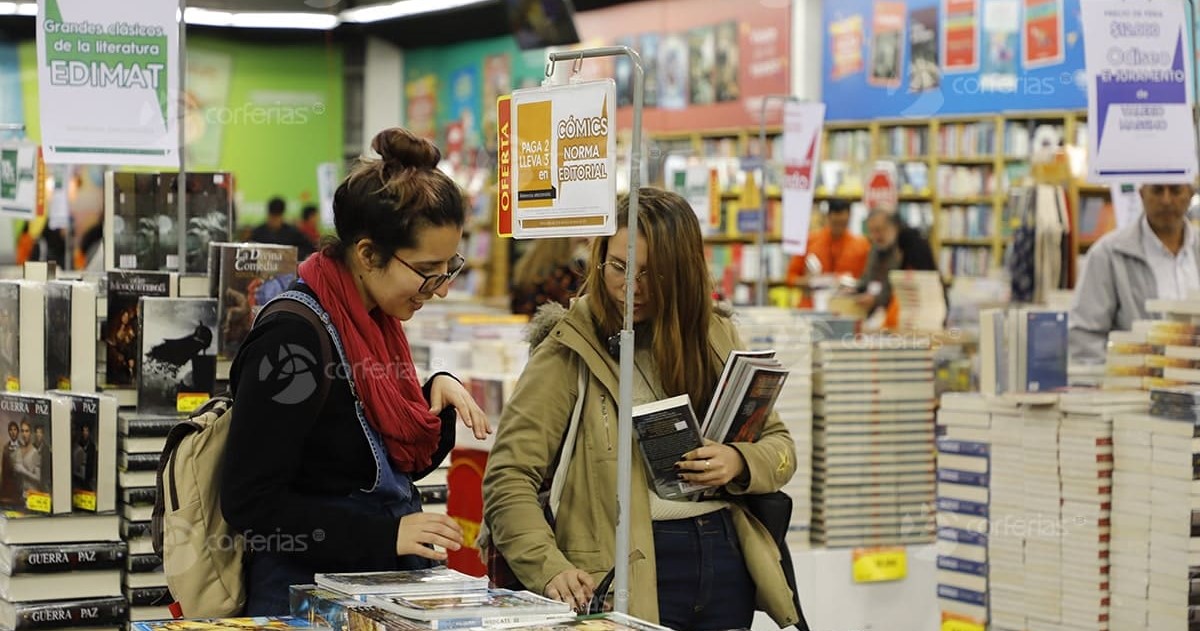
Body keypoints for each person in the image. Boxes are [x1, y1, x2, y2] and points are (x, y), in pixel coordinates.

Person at [482, 188, 801, 630]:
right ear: (600, 258)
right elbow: (509, 475)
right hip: (625, 569)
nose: (632, 287)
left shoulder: (713, 335)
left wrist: (738, 461)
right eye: (619, 266)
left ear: (684, 272)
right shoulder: (569, 347)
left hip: (724, 558)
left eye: (654, 273)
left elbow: (781, 446)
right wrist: (548, 566)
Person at [221, 127, 493, 614]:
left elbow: (381, 464)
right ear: (368, 254)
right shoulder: (294, 341)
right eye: (428, 270)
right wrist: (386, 534)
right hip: (304, 599)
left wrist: (436, 392)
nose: (442, 288)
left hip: (372, 588)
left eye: (450, 266)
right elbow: (251, 503)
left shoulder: (376, 327)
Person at [1070, 183, 1200, 364]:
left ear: (1191, 193)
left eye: (1176, 190)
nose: (1166, 200)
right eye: (1157, 190)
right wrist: (1118, 375)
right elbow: (1084, 338)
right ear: (1141, 193)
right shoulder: (1108, 254)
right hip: (1130, 380)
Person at [853, 209, 939, 325]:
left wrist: (876, 299)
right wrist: (857, 289)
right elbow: (868, 276)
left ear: (893, 226)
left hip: (911, 312)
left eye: (879, 230)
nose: (874, 236)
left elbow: (896, 282)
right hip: (879, 313)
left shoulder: (909, 246)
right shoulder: (877, 246)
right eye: (871, 231)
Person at [786, 199, 871, 283]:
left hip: (848, 291)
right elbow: (790, 277)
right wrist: (806, 281)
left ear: (849, 218)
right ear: (828, 217)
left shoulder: (862, 245)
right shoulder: (809, 240)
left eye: (842, 223)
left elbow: (869, 279)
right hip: (814, 290)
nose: (838, 227)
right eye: (835, 223)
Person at [509, 237, 587, 316]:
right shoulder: (566, 274)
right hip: (555, 320)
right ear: (566, 244)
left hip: (525, 321)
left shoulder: (527, 268)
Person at [250, 197, 316, 260]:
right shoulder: (258, 232)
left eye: (277, 217)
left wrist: (292, 255)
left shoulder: (292, 233)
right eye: (273, 217)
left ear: (282, 216)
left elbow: (309, 248)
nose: (274, 221)